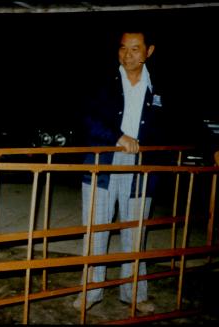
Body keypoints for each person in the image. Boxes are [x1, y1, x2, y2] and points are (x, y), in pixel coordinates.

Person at [73, 28, 171, 314]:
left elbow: (180, 121)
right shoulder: (100, 81)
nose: (127, 55)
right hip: (102, 163)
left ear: (149, 51)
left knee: (134, 233)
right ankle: (90, 292)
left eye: (135, 49)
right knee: (96, 231)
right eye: (123, 48)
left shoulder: (159, 87)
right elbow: (86, 117)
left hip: (141, 168)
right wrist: (117, 137)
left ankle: (135, 294)